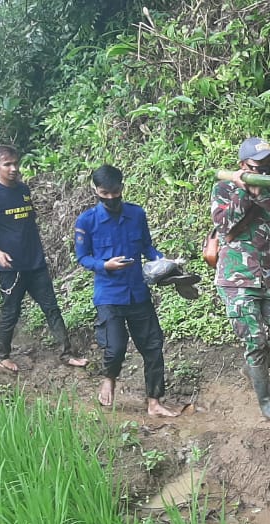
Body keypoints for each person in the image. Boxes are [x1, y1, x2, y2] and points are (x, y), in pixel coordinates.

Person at [74, 164, 179, 418]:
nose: (110, 197)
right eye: (104, 192)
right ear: (95, 190)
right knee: (115, 347)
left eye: (115, 191)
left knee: (153, 346)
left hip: (138, 292)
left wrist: (164, 262)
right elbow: (83, 257)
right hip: (109, 294)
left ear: (122, 187)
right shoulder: (86, 221)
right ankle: (109, 377)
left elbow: (147, 247)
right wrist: (104, 265)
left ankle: (154, 401)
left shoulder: (136, 214)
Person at [0, 145, 88, 372]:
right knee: (11, 310)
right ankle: (2, 354)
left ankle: (66, 353)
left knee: (51, 307)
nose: (13, 168)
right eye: (7, 164)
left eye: (15, 163)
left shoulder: (23, 190)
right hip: (9, 266)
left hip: (34, 261)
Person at [210, 137, 270, 422]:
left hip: (268, 274)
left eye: (268, 166)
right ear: (243, 166)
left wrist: (262, 194)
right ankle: (266, 399)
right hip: (236, 279)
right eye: (258, 166)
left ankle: (254, 369)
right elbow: (223, 225)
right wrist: (244, 192)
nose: (265, 171)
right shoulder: (223, 188)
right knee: (255, 339)